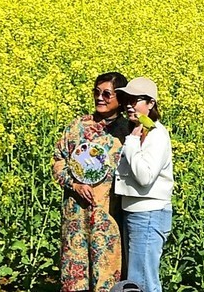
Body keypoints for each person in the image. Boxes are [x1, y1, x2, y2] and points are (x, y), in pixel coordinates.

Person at [52, 72, 130, 292]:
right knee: (74, 271)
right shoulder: (77, 126)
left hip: (110, 215)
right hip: (76, 214)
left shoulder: (127, 132)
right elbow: (58, 161)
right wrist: (73, 184)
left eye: (107, 94)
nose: (100, 98)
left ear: (121, 99)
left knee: (107, 273)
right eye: (96, 92)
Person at [115, 76, 174, 292]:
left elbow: (144, 177)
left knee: (144, 282)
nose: (129, 104)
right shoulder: (137, 131)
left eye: (136, 99)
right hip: (134, 212)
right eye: (126, 99)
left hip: (148, 214)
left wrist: (131, 142)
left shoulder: (156, 135)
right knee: (135, 281)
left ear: (151, 103)